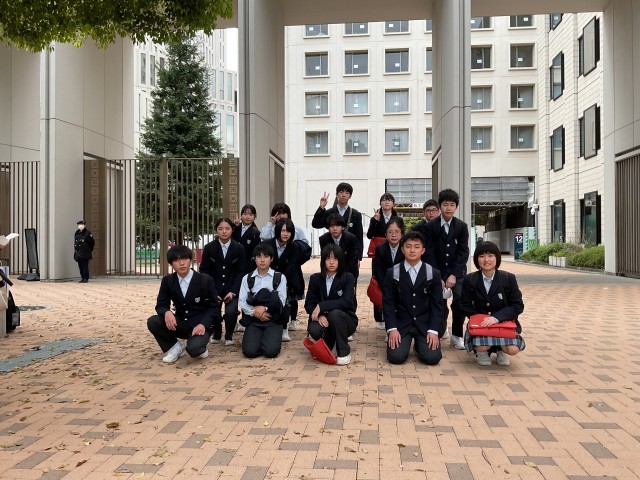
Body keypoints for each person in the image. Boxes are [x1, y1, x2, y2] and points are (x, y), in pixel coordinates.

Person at [147, 245, 220, 363]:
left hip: (200, 325)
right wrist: (166, 312)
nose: (181, 263)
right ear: (171, 264)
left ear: (190, 260)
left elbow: (214, 307)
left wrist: (203, 324)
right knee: (153, 321)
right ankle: (176, 347)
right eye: (176, 260)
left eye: (185, 259)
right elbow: (161, 304)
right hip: (180, 323)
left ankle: (199, 347)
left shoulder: (205, 280)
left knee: (194, 350)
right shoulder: (168, 281)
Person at [460, 241, 525, 366]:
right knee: (481, 345)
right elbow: (464, 304)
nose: (486, 260)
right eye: (482, 256)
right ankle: (482, 352)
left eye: (490, 255)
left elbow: (518, 306)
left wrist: (496, 318)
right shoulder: (470, 279)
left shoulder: (508, 278)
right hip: (481, 325)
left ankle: (501, 350)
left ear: (497, 258)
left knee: (513, 349)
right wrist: (480, 320)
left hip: (503, 324)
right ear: (476, 259)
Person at [383, 231, 443, 366]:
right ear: (402, 249)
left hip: (425, 323)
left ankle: (419, 347)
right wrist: (392, 329)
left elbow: (437, 305)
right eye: (408, 246)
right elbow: (388, 304)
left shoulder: (433, 273)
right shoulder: (392, 272)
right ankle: (407, 343)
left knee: (432, 358)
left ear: (423, 250)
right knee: (396, 357)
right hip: (401, 323)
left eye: (416, 247)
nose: (412, 250)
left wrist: (433, 330)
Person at [423, 189, 470, 349]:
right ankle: (439, 331)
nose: (448, 208)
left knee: (460, 302)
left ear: (456, 206)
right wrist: (439, 276)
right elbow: (429, 253)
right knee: (438, 304)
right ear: (440, 206)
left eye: (452, 205)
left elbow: (463, 252)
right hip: (436, 272)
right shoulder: (430, 226)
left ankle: (457, 335)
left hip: (457, 274)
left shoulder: (461, 226)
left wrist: (453, 275)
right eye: (445, 204)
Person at [305, 243, 358, 365]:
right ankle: (329, 344)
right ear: (323, 260)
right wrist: (319, 315)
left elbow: (346, 302)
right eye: (328, 258)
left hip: (345, 320)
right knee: (314, 329)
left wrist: (322, 306)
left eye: (335, 258)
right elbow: (309, 303)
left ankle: (344, 352)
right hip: (324, 321)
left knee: (335, 314)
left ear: (340, 260)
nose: (331, 262)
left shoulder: (348, 277)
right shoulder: (315, 278)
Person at [199, 217, 246, 346]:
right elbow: (204, 271)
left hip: (232, 288)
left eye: (227, 228)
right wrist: (212, 291)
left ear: (232, 230)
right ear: (216, 230)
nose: (224, 231)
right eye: (220, 229)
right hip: (214, 287)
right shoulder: (209, 248)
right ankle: (217, 332)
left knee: (231, 312)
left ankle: (229, 334)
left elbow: (241, 272)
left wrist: (233, 292)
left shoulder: (239, 248)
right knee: (213, 311)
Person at [239, 241, 288, 358]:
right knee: (249, 352)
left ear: (271, 259)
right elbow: (242, 301)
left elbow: (281, 301)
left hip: (273, 319)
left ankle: (269, 340)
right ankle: (257, 340)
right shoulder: (247, 278)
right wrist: (255, 312)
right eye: (259, 256)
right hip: (253, 320)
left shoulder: (279, 277)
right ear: (254, 259)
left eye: (266, 256)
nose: (262, 260)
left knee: (271, 352)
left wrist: (264, 308)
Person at [268, 218, 312, 340]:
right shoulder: (268, 245)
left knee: (286, 304)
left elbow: (296, 262)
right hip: (269, 280)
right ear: (277, 231)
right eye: (283, 230)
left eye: (288, 231)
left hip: (288, 280)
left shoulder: (294, 247)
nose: (285, 234)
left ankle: (284, 329)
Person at [311, 182, 364, 260]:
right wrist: (321, 207)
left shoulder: (355, 214)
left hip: (349, 254)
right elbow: (316, 224)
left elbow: (359, 237)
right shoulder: (329, 212)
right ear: (336, 194)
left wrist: (358, 258)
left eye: (347, 193)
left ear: (350, 196)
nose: (343, 195)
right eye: (341, 192)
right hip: (332, 254)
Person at [372, 217, 405, 330]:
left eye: (396, 232)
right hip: (386, 284)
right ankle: (390, 329)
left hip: (403, 283)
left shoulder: (406, 248)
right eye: (390, 232)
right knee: (388, 306)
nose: (393, 235)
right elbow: (378, 270)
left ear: (402, 234)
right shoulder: (380, 248)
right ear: (385, 234)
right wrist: (385, 285)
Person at [318, 213, 360, 281]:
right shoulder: (323, 239)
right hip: (330, 272)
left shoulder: (351, 238)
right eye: (332, 226)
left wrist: (351, 278)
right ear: (328, 227)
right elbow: (324, 259)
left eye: (337, 225)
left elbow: (352, 260)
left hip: (348, 269)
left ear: (342, 227)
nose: (335, 229)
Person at [233, 204, 262, 272]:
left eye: (251, 215)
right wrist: (234, 226)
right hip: (233, 263)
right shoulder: (235, 227)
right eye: (245, 214)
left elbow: (256, 251)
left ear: (254, 217)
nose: (247, 217)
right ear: (241, 215)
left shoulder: (256, 232)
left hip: (247, 265)